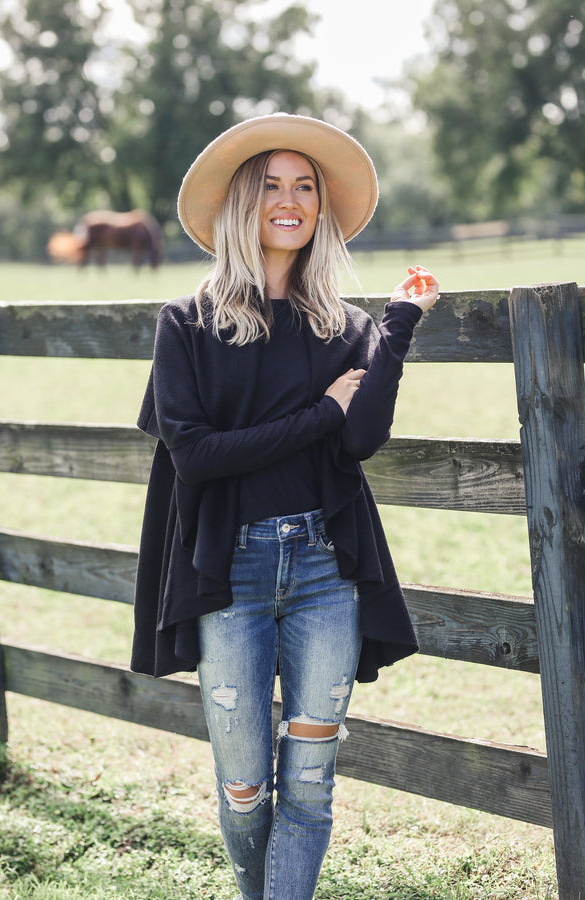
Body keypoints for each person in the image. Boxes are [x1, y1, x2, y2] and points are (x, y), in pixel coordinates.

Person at [131, 113, 438, 900]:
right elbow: (195, 456)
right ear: (243, 202)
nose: (290, 199)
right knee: (244, 788)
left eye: (305, 186)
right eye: (271, 184)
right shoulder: (188, 325)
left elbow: (361, 438)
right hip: (227, 575)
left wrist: (395, 331)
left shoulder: (345, 326)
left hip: (325, 570)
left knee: (309, 784)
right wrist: (316, 417)